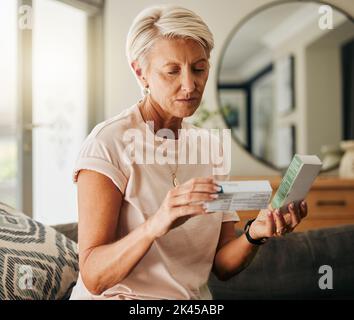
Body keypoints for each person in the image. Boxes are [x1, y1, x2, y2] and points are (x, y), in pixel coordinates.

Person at [69, 5, 307, 300]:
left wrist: (254, 233)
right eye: (172, 71)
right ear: (140, 72)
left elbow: (221, 265)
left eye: (199, 68)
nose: (190, 85)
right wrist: (157, 224)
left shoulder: (210, 148)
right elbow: (94, 276)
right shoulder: (109, 143)